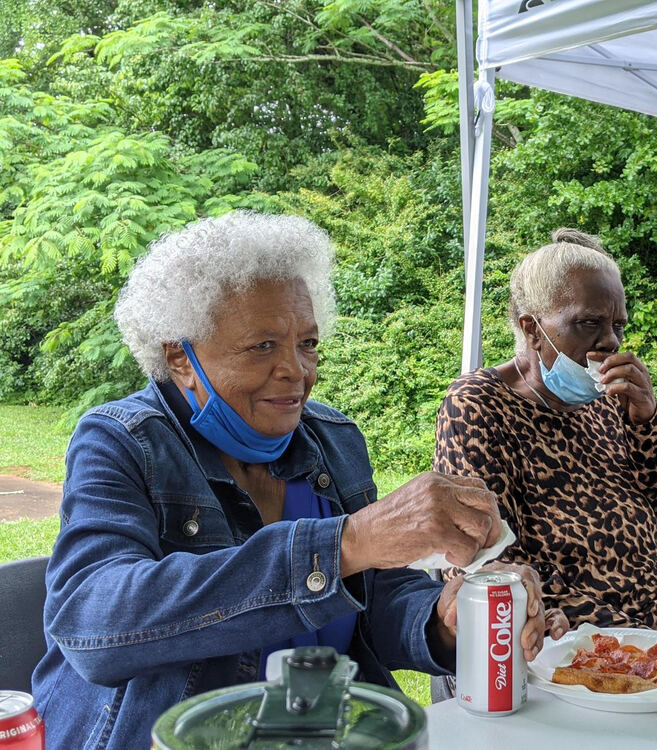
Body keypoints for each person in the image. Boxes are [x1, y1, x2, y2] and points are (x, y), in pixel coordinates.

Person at [32, 211, 567, 749]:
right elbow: (91, 623)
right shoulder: (123, 441)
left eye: (307, 343)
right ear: (181, 359)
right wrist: (343, 544)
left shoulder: (332, 439)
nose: (296, 370)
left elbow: (376, 598)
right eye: (262, 346)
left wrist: (442, 619)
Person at [434, 228, 657, 632]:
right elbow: (487, 565)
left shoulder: (608, 400)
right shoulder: (479, 403)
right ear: (532, 329)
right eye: (589, 323)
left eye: (617, 325)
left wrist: (646, 421)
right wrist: (623, 636)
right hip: (562, 642)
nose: (610, 341)